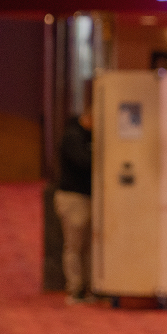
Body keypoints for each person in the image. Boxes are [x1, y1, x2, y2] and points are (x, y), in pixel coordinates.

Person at [55, 99, 94, 303]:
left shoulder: (88, 136)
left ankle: (88, 287)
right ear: (88, 117)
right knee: (74, 246)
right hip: (73, 198)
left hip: (86, 198)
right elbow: (84, 162)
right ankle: (75, 288)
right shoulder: (73, 136)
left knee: (87, 246)